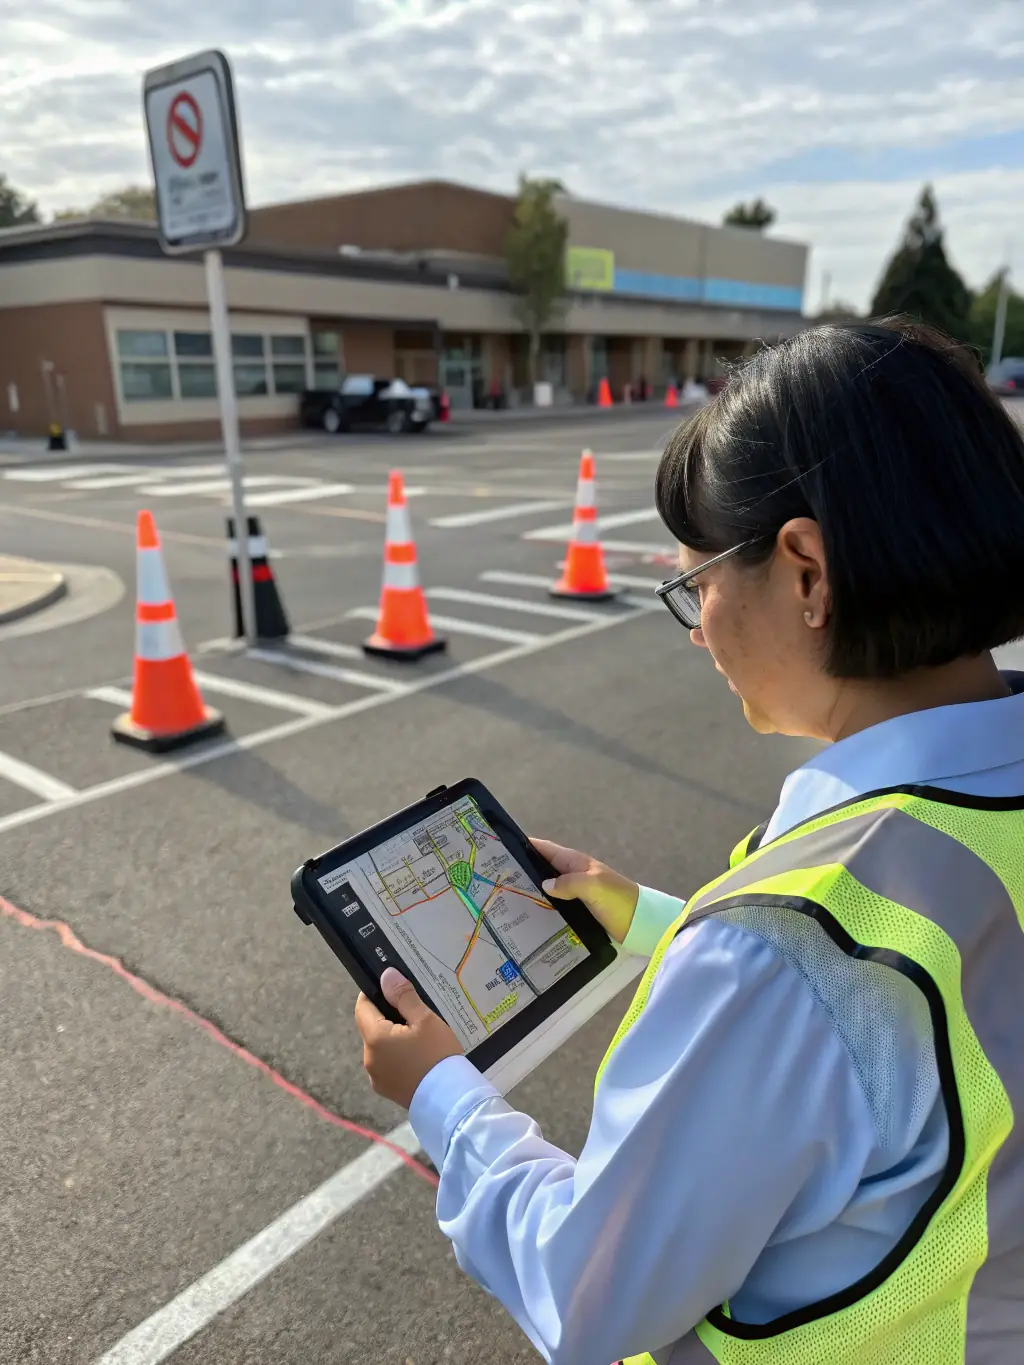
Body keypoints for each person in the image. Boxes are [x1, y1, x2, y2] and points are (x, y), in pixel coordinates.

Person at [355, 318, 1024, 1365]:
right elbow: (897, 1029)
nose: (700, 625)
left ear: (805, 571)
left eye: (696, 583)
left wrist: (439, 1091)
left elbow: (588, 1296)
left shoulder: (776, 953)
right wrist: (657, 921)